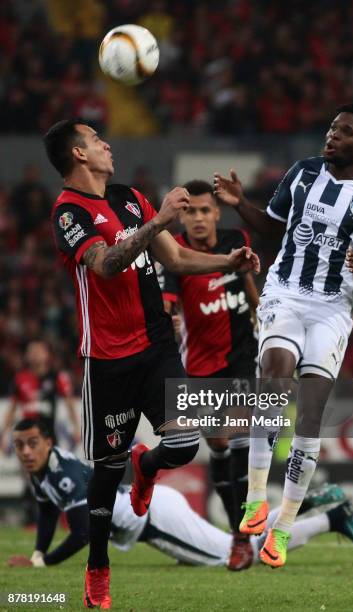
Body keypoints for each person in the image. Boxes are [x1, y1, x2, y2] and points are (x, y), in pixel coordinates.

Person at [43, 118, 259, 608]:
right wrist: (159, 219)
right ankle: (98, 567)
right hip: (108, 361)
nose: (106, 144)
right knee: (105, 470)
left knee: (183, 446)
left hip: (157, 349)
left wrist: (230, 263)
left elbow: (178, 259)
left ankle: (149, 465)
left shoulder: (129, 197)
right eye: (96, 140)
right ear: (78, 155)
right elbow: (105, 264)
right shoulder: (68, 213)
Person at [214, 103, 353, 568]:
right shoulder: (302, 173)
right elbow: (274, 232)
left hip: (332, 309)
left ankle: (282, 528)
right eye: (331, 128)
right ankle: (256, 500)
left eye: (343, 133)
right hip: (285, 291)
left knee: (311, 416)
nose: (332, 136)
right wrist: (241, 205)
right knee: (275, 379)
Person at [8, 418, 353, 572]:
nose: (26, 452)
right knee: (239, 541)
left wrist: (44, 563)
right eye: (20, 446)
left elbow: (85, 532)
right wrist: (39, 551)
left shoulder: (63, 475)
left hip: (154, 519)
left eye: (32, 444)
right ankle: (307, 503)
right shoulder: (45, 472)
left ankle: (332, 517)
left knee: (246, 556)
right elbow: (45, 512)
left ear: (48, 443)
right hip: (155, 509)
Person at [158, 179, 258, 570]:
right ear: (182, 216)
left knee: (240, 433)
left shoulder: (235, 237)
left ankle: (242, 537)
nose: (198, 218)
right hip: (199, 364)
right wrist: (172, 321)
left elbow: (248, 279)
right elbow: (167, 302)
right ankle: (239, 531)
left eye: (204, 210)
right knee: (217, 446)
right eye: (190, 211)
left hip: (240, 355)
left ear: (216, 212)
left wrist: (262, 313)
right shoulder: (175, 252)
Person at [1, 340, 80, 451]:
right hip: (27, 435)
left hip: (49, 434)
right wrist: (4, 434)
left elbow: (69, 403)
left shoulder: (57, 376)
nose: (35, 354)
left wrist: (76, 428)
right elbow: (11, 409)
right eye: (32, 351)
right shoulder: (20, 378)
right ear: (27, 356)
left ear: (47, 354)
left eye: (39, 351)